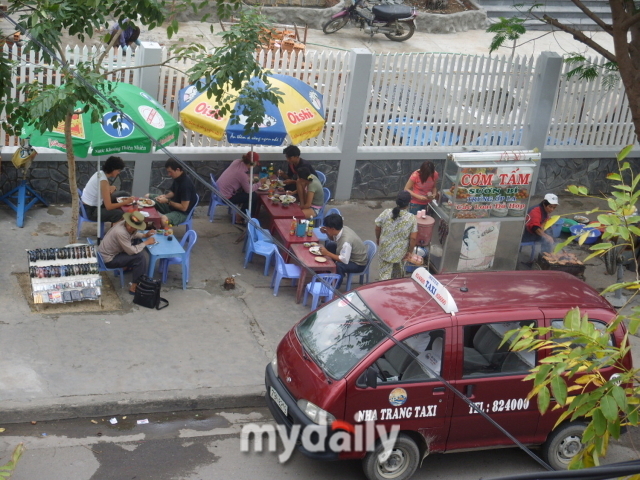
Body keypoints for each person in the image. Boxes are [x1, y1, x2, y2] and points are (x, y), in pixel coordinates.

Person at [97, 211, 157, 295]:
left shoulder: (124, 224)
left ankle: (125, 268)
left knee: (136, 242)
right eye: (129, 225)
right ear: (127, 221)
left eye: (133, 227)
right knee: (139, 257)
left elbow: (133, 235)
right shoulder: (121, 232)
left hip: (107, 254)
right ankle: (134, 287)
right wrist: (146, 243)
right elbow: (131, 251)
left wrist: (144, 236)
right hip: (108, 260)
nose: (130, 227)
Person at [375, 191, 418, 280]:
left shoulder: (386, 212)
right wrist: (410, 251)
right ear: (408, 202)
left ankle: (382, 290)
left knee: (384, 276)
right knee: (397, 278)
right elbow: (413, 238)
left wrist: (378, 238)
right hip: (400, 253)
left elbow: (377, 227)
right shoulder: (411, 218)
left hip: (385, 250)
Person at [319, 213, 368, 289]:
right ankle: (328, 273)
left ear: (333, 229)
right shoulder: (341, 229)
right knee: (330, 245)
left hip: (358, 263)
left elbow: (344, 260)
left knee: (339, 266)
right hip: (350, 255)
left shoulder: (346, 240)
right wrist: (327, 233)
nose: (325, 228)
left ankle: (334, 287)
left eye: (327, 228)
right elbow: (333, 239)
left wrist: (327, 253)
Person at [81, 155, 134, 224]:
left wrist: (112, 188)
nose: (119, 172)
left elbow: (104, 190)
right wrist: (125, 202)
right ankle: (114, 231)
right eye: (118, 170)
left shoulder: (100, 173)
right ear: (112, 169)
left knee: (123, 194)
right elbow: (108, 206)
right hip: (91, 211)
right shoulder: (103, 181)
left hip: (92, 204)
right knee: (119, 213)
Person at [149, 159, 198, 230]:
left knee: (163, 219)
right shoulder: (178, 178)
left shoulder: (186, 185)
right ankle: (153, 224)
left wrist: (167, 201)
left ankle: (167, 236)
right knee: (150, 197)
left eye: (170, 172)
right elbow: (173, 192)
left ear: (177, 170)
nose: (169, 174)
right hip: (173, 207)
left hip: (182, 213)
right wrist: (165, 196)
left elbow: (184, 207)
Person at [217, 151, 266, 220]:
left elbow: (236, 177)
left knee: (248, 194)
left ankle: (245, 214)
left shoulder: (236, 161)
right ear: (253, 163)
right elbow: (248, 190)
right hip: (226, 198)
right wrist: (260, 183)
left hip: (218, 191)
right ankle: (243, 217)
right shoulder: (242, 175)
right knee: (253, 196)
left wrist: (249, 180)